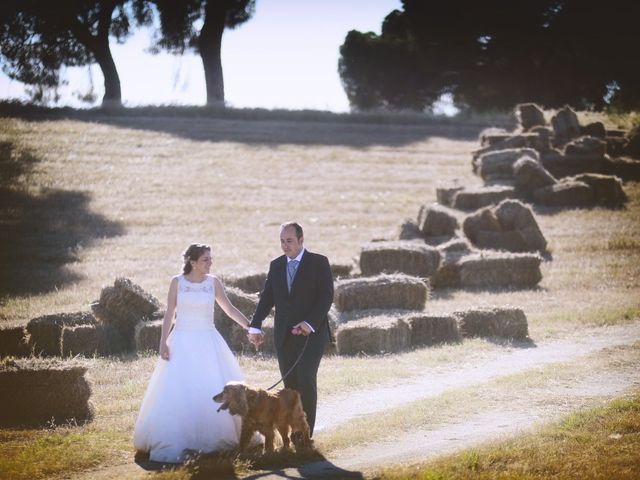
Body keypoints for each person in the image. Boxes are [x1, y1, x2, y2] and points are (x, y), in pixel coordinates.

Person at [133, 243, 252, 463]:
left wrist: (250, 326)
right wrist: (163, 342)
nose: (210, 263)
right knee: (180, 390)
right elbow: (170, 313)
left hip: (208, 341)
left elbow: (229, 308)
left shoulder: (213, 282)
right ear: (193, 262)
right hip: (182, 341)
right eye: (206, 259)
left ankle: (217, 439)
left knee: (211, 385)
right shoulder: (177, 283)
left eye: (210, 259)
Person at [248, 222, 334, 436]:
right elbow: (267, 298)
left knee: (306, 378)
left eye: (289, 241)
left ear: (301, 240)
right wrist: (255, 325)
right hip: (284, 335)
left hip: (311, 334)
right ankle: (295, 429)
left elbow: (326, 297)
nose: (285, 246)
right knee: (290, 386)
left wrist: (309, 323)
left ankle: (306, 433)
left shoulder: (319, 262)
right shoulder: (276, 265)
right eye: (282, 241)